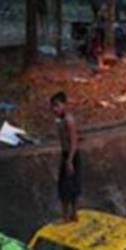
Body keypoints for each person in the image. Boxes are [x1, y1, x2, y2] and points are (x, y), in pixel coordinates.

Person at [51, 91, 81, 222]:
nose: (54, 109)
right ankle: (68, 215)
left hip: (71, 155)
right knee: (65, 186)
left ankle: (70, 215)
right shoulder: (59, 120)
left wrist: (69, 161)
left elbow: (74, 141)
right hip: (65, 154)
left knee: (69, 186)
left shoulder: (69, 120)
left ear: (64, 105)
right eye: (53, 106)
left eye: (57, 105)